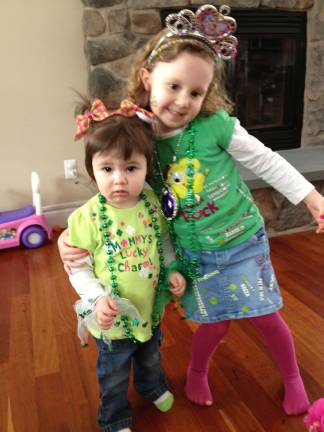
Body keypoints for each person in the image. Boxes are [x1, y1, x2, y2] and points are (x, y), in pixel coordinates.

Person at [59, 4, 324, 416]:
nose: (183, 101)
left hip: (242, 242)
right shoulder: (137, 133)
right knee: (214, 322)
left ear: (209, 94)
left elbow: (267, 160)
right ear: (148, 79)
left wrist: (311, 196)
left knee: (266, 316)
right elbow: (114, 185)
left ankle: (291, 375)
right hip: (194, 252)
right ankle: (198, 370)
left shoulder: (217, 125)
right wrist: (69, 236)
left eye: (196, 92)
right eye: (174, 86)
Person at [66, 97, 186, 432]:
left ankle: (152, 386)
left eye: (130, 168)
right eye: (107, 169)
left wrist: (174, 269)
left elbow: (163, 243)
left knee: (151, 355)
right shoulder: (86, 217)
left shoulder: (150, 202)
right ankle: (115, 416)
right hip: (112, 317)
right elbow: (78, 267)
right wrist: (95, 300)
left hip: (149, 305)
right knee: (114, 373)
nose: (119, 179)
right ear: (92, 169)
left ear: (147, 167)